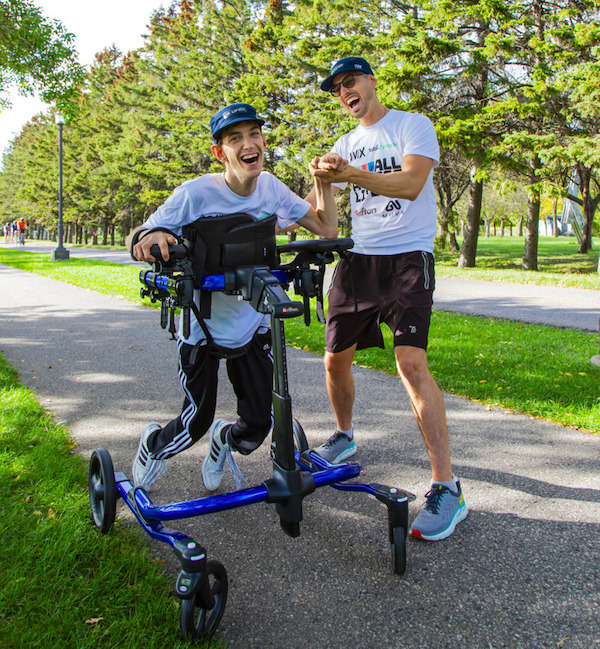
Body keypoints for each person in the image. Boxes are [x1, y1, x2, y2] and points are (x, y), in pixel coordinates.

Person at [127, 102, 338, 493]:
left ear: (262, 141)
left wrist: (323, 181)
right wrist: (149, 238)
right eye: (235, 138)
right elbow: (139, 235)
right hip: (203, 327)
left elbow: (325, 226)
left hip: (254, 323)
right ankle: (153, 446)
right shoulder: (195, 194)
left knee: (260, 422)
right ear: (220, 152)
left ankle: (225, 440)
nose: (248, 144)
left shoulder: (272, 188)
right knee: (194, 423)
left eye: (254, 134)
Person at [307, 57, 467, 541]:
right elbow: (329, 225)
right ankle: (345, 435)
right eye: (336, 88)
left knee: (410, 363)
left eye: (350, 81)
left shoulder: (412, 126)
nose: (344, 91)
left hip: (406, 260)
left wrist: (350, 173)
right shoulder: (344, 144)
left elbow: (411, 183)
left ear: (372, 82)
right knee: (335, 361)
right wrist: (321, 178)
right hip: (358, 262)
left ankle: (447, 486)